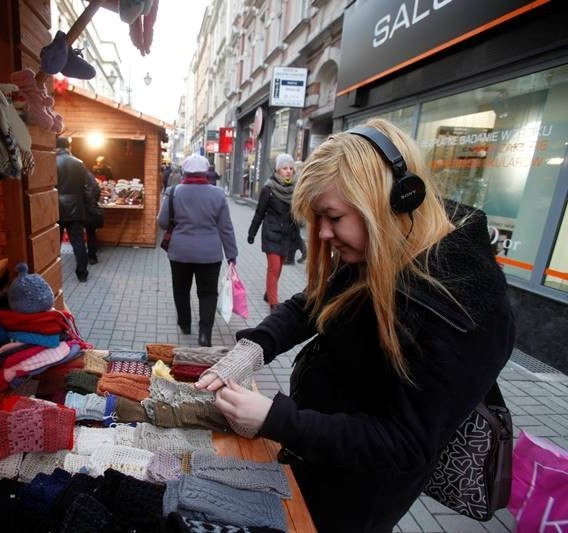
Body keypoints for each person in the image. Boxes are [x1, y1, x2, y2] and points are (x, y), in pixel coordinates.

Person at [196, 119, 514, 532]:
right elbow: (313, 303)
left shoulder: (466, 308)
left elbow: (407, 443)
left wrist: (277, 420)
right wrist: (254, 348)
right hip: (316, 454)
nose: (324, 234)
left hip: (359, 495)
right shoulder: (388, 245)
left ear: (388, 201)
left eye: (332, 217)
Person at [157, 153, 238, 347]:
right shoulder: (218, 194)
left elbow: (161, 222)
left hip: (180, 252)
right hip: (209, 254)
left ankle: (185, 324)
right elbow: (226, 227)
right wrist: (231, 255)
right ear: (206, 171)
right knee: (208, 293)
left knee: (181, 289)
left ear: (185, 171)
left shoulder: (173, 192)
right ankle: (205, 335)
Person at [247, 153, 303, 311]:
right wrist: (252, 233)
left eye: (291, 168)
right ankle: (273, 301)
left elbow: (297, 215)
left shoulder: (295, 190)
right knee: (274, 267)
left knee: (279, 268)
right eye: (285, 168)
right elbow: (259, 212)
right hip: (271, 233)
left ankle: (268, 293)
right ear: (278, 170)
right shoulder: (269, 189)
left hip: (286, 235)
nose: (288, 171)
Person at [56, 137, 97, 282]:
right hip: (76, 209)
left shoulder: (50, 162)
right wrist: (89, 206)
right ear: (69, 146)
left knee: (54, 245)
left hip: (56, 208)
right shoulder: (79, 163)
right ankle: (82, 274)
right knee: (78, 243)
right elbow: (89, 188)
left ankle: (53, 274)